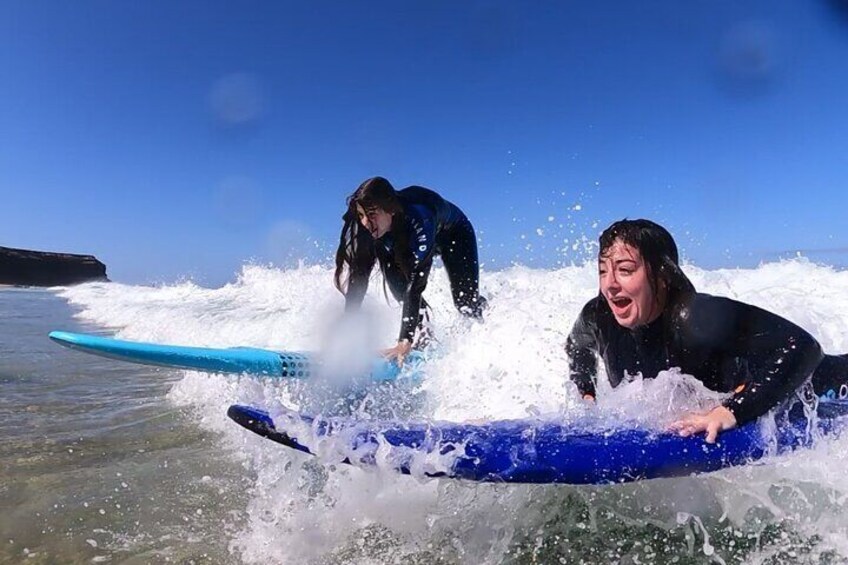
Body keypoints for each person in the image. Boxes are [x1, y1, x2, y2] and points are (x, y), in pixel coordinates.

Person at [566, 218, 848, 443]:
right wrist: (587, 394)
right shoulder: (597, 317)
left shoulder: (694, 317)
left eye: (625, 270)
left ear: (663, 276)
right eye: (603, 271)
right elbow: (576, 346)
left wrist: (731, 411)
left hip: (812, 383)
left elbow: (801, 347)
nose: (610, 284)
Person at [334, 176, 487, 364]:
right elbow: (359, 278)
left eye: (372, 214)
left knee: (465, 303)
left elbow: (415, 285)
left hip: (453, 234)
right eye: (361, 215)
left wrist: (403, 341)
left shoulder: (420, 215)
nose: (365, 222)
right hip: (401, 236)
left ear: (389, 209)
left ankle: (488, 322)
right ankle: (425, 339)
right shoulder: (369, 227)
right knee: (398, 288)